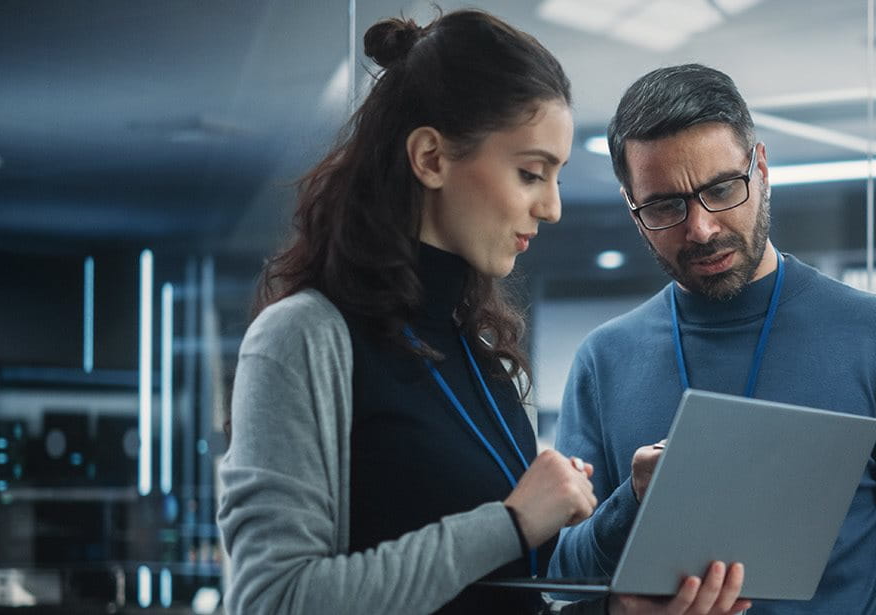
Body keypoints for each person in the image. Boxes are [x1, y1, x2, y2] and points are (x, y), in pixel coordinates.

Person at [217, 12, 748, 615]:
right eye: (529, 173)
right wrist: (512, 523)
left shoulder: (483, 357)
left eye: (555, 177)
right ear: (431, 158)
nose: (551, 208)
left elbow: (496, 600)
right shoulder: (303, 339)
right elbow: (272, 600)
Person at [549, 64, 876, 614]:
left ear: (762, 170)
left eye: (722, 189)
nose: (700, 229)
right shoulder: (605, 361)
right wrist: (631, 501)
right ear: (634, 210)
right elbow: (563, 579)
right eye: (664, 207)